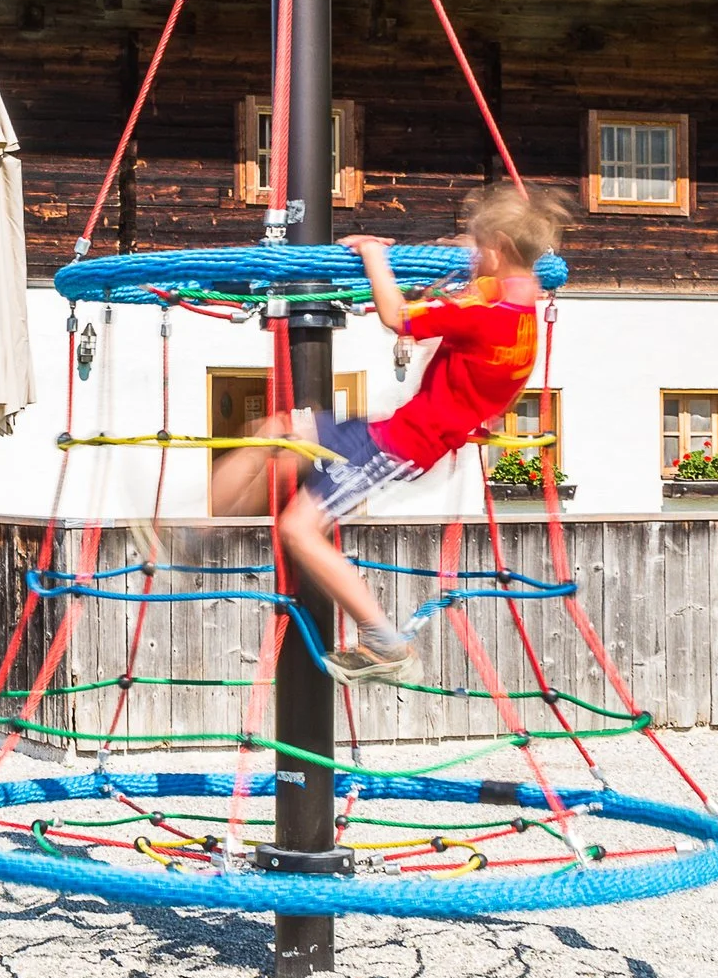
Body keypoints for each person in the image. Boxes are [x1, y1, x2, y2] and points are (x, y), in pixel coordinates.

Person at [209, 184, 572, 683]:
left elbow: (397, 317)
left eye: (477, 244)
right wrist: (450, 254)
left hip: (399, 444)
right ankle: (193, 529)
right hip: (395, 430)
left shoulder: (482, 312)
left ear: (499, 248)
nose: (469, 252)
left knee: (298, 528)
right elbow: (478, 284)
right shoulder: (520, 304)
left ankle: (383, 640)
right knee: (279, 430)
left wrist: (376, 256)